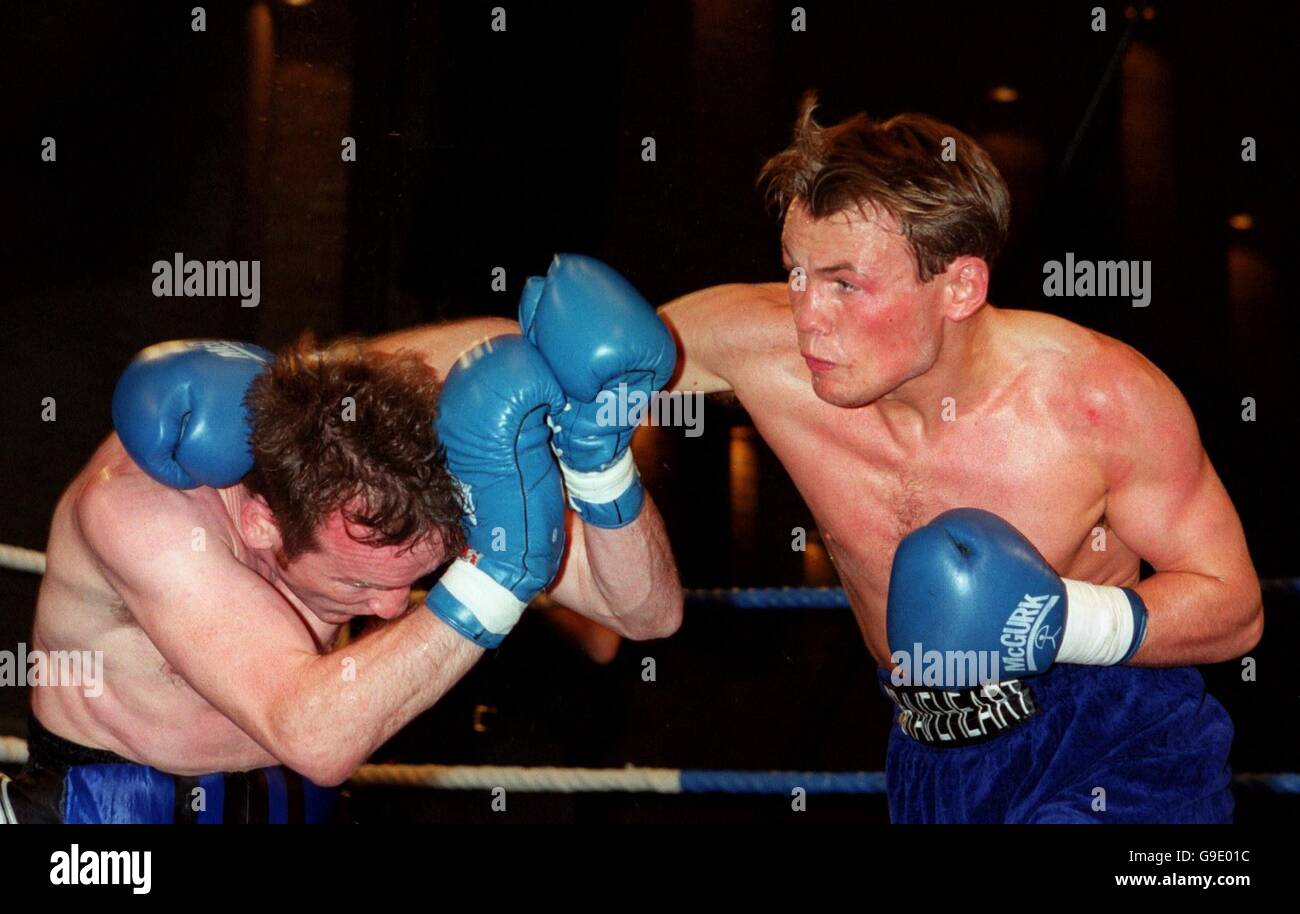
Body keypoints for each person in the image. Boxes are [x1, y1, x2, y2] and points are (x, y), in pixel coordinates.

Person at [646, 94, 1262, 823]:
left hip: (1110, 737)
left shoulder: (1101, 400)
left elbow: (1235, 609)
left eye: (846, 283)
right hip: (927, 754)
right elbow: (569, 369)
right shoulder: (751, 344)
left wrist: (1058, 621)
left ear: (961, 286)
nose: (808, 315)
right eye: (796, 274)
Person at [2, 312, 680, 823]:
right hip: (110, 811)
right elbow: (314, 733)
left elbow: (643, 613)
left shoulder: (400, 453)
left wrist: (601, 465)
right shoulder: (145, 512)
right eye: (358, 582)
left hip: (294, 798)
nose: (390, 609)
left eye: (410, 579)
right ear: (261, 522)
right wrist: (494, 579)